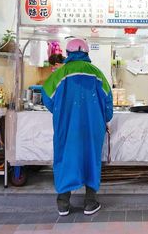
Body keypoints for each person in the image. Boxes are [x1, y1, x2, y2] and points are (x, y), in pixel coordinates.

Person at [42, 38, 113, 216]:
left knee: (66, 158)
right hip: (93, 126)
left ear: (68, 54)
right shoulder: (96, 73)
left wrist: (61, 112)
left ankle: (63, 203)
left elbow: (47, 98)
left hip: (66, 126)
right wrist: (104, 117)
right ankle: (90, 203)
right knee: (91, 158)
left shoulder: (60, 74)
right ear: (87, 53)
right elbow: (108, 101)